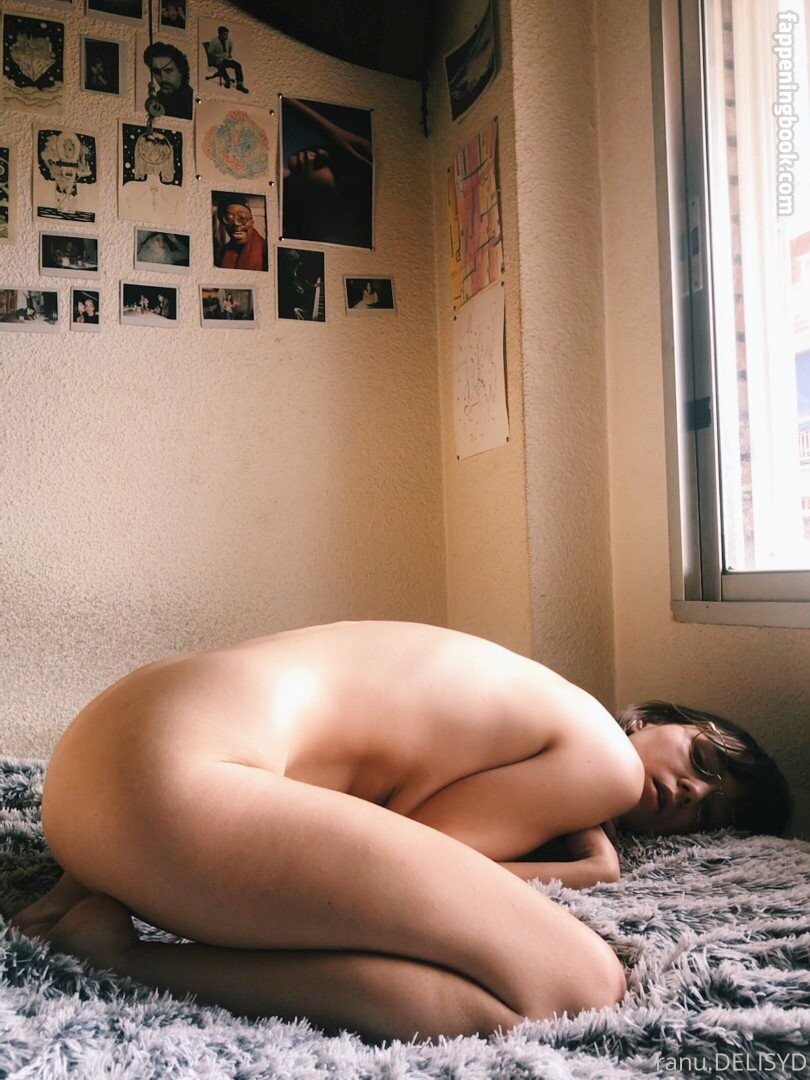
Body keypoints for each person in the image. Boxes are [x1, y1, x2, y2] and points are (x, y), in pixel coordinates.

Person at [11, 622, 791, 1044]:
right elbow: (429, 844)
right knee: (580, 984)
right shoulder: (607, 763)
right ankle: (125, 958)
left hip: (90, 771)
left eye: (710, 811)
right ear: (654, 719)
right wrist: (593, 867)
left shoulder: (541, 696)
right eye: (702, 759)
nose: (692, 791)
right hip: (173, 785)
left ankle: (92, 893)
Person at [214, 195, 267, 272]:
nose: (236, 223)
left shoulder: (266, 252)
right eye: (229, 219)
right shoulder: (221, 253)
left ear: (252, 222)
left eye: (242, 218)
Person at [143, 42, 193, 121]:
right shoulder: (157, 100)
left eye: (168, 70)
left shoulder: (192, 101)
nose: (163, 78)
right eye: (156, 71)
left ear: (180, 71)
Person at [204, 26, 248, 93]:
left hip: (226, 59)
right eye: (225, 34)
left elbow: (230, 47)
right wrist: (217, 58)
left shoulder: (228, 41)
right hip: (217, 60)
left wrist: (229, 55)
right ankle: (227, 80)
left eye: (227, 34)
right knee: (220, 64)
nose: (226, 36)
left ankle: (239, 85)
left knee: (238, 65)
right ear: (220, 34)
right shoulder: (214, 42)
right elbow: (210, 53)